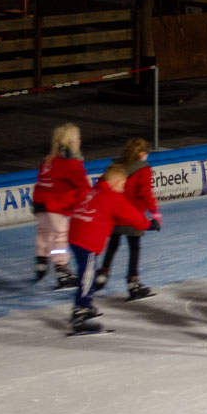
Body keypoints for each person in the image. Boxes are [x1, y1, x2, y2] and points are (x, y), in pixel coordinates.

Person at [66, 166, 150, 335]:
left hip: (75, 238)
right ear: (116, 182)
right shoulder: (112, 197)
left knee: (86, 273)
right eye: (123, 184)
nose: (123, 188)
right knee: (87, 276)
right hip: (86, 241)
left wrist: (47, 204)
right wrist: (148, 224)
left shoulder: (88, 191)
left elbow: (66, 199)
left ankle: (86, 305)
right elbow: (130, 215)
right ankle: (80, 313)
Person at [95, 138, 161, 300]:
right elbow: (145, 192)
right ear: (141, 154)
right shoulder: (143, 169)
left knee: (113, 244)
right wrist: (155, 213)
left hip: (115, 213)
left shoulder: (117, 166)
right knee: (134, 248)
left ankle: (103, 273)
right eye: (146, 154)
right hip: (133, 214)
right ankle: (133, 282)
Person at [32, 123, 89, 288]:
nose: (80, 141)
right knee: (61, 235)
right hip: (54, 205)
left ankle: (41, 262)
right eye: (78, 138)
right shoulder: (71, 163)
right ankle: (62, 270)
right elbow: (84, 187)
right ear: (71, 141)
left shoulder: (49, 160)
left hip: (39, 204)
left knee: (44, 233)